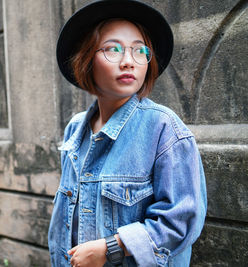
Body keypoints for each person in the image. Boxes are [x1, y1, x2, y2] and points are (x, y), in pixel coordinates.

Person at [48, 0, 207, 266]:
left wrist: (112, 247)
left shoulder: (164, 128)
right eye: (114, 49)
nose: (128, 62)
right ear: (87, 58)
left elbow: (181, 222)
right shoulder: (75, 129)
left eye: (139, 50)